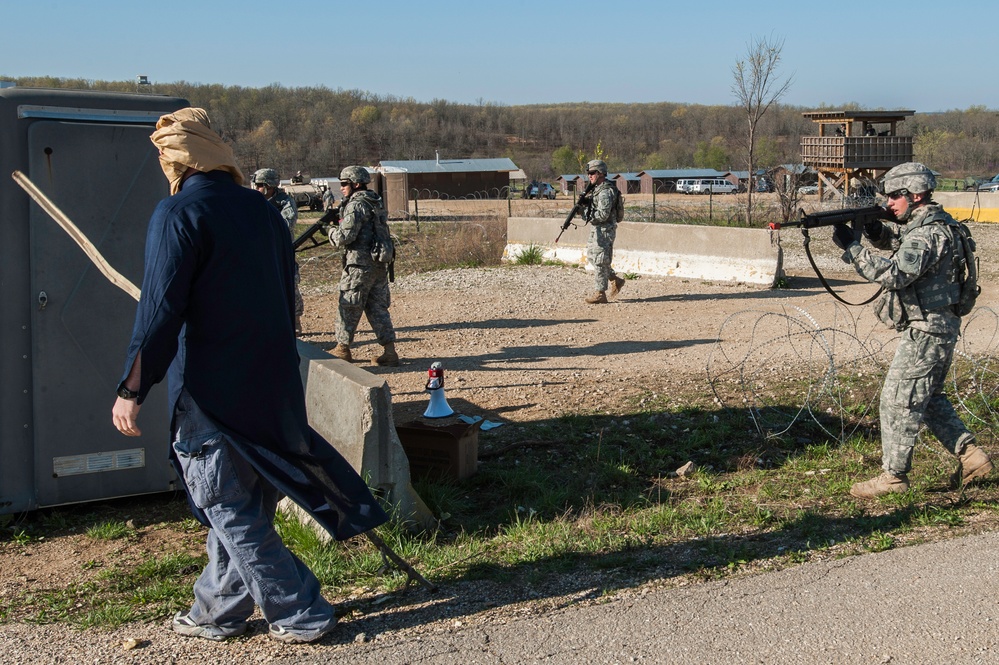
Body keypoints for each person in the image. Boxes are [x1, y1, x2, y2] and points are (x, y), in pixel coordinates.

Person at [111, 108, 388, 643]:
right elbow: (285, 301)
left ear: (173, 159)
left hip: (212, 390)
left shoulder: (176, 215)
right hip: (271, 383)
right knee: (246, 498)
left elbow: (159, 314)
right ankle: (219, 610)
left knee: (223, 501)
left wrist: (131, 388)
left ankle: (301, 610)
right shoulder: (261, 212)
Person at [831, 162, 994, 498]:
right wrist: (876, 233)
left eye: (895, 196)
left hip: (926, 329)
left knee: (897, 400)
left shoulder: (926, 234)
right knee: (929, 398)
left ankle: (893, 477)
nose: (889, 202)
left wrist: (854, 248)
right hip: (938, 325)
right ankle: (972, 457)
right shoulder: (937, 225)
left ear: (915, 194)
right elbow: (904, 250)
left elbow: (896, 275)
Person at [328, 166, 399, 366]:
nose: (341, 188)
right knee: (377, 308)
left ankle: (342, 349)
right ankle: (390, 352)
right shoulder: (375, 202)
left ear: (356, 184)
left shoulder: (356, 205)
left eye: (344, 183)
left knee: (349, 305)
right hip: (378, 265)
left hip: (359, 266)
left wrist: (330, 232)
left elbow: (345, 236)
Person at [253, 168, 304, 333]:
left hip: (281, 252)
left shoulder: (285, 202)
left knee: (291, 285)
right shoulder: (255, 202)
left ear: (269, 186)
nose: (257, 189)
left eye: (260, 185)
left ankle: (295, 321)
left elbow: (287, 225)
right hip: (262, 253)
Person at [581, 159, 625, 304]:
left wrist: (585, 213)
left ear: (600, 174)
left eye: (592, 173)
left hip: (605, 229)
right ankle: (614, 279)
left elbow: (603, 215)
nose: (590, 176)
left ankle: (600, 293)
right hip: (597, 228)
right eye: (588, 173)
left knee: (600, 260)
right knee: (593, 257)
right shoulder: (597, 189)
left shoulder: (605, 191)